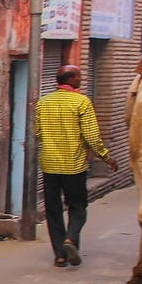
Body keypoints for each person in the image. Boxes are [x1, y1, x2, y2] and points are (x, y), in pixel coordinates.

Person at [35, 64, 119, 267]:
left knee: (53, 210)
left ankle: (60, 256)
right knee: (77, 206)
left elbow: (37, 132)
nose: (81, 79)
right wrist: (106, 157)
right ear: (70, 79)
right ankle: (70, 239)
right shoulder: (82, 102)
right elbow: (91, 136)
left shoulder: (43, 102)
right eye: (79, 76)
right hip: (74, 165)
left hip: (50, 165)